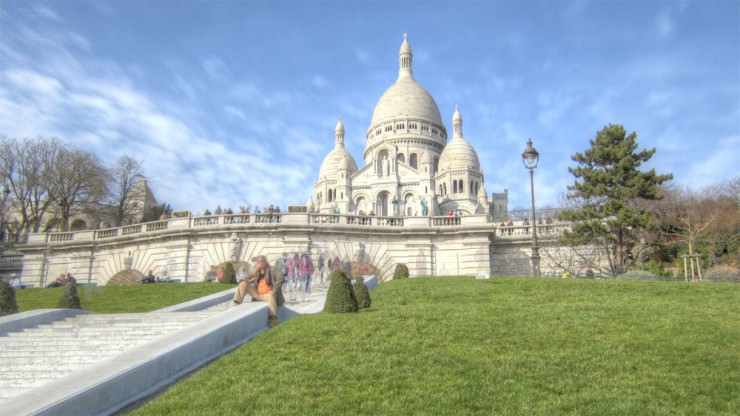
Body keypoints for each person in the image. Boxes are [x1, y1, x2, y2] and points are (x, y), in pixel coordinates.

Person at [232, 255, 285, 327]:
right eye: (258, 261)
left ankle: (273, 318)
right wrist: (254, 272)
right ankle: (237, 302)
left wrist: (274, 290)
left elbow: (281, 278)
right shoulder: (257, 271)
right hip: (258, 294)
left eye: (261, 261)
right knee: (243, 284)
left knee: (271, 295)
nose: (259, 263)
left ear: (265, 262)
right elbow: (245, 278)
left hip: (268, 295)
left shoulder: (272, 269)